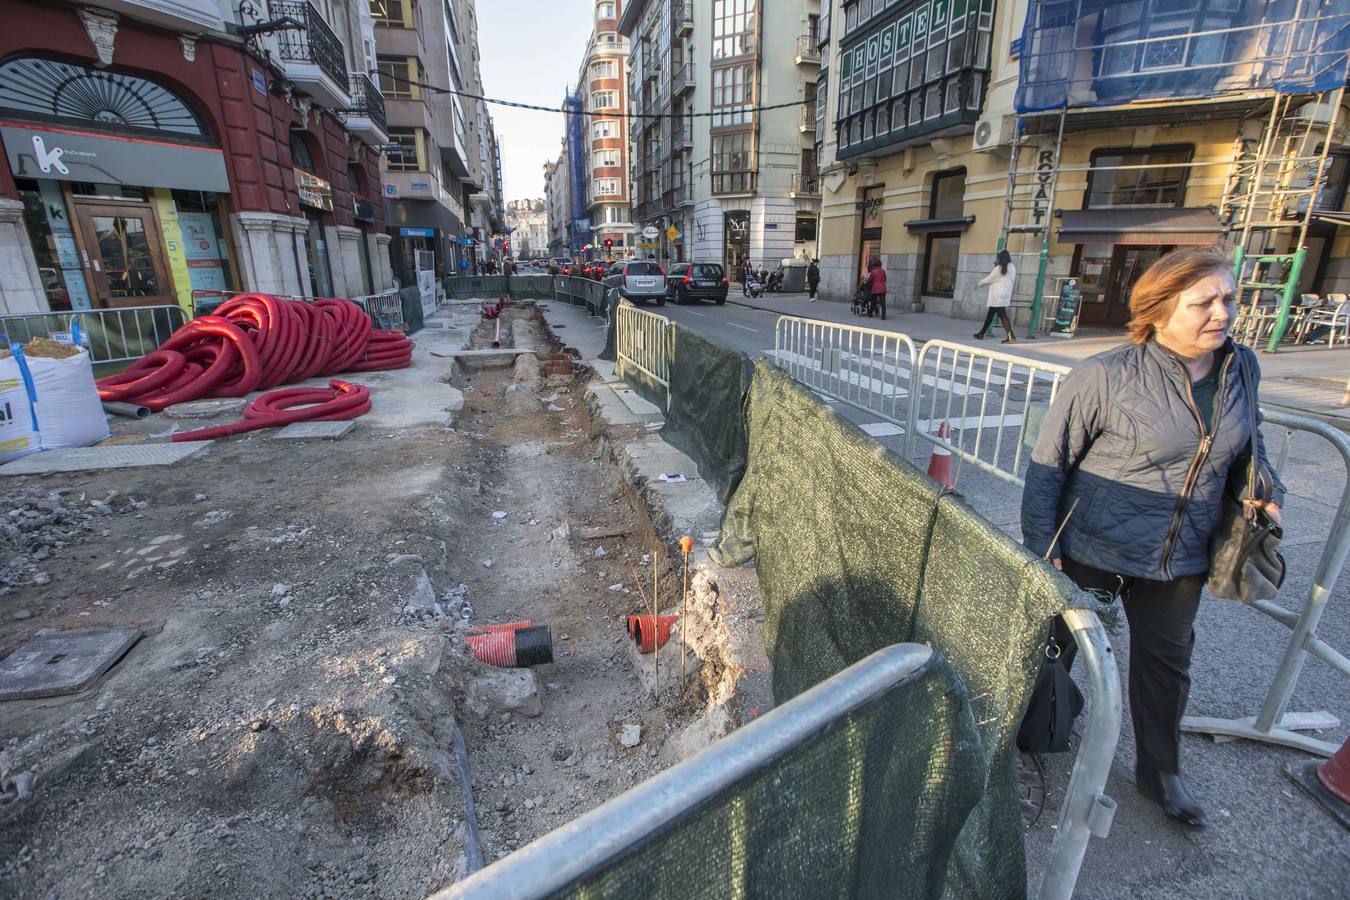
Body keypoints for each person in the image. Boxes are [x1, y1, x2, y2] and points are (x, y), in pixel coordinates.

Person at [1020, 246, 1284, 831]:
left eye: (1230, 299)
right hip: (1091, 545)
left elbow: (1248, 446)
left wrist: (1266, 487)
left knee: (1167, 666)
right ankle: (1023, 728)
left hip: (1181, 554)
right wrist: (1044, 547)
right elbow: (1049, 465)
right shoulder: (1105, 374)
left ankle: (1161, 771)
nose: (1223, 313)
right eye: (1205, 303)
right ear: (1160, 311)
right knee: (1052, 646)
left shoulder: (1242, 369)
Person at [974, 249, 1017, 344]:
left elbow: (989, 279)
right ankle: (981, 333)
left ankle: (1010, 336)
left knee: (1003, 316)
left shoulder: (999, 268)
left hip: (997, 295)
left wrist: (979, 284)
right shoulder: (1012, 267)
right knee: (990, 314)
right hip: (1005, 294)